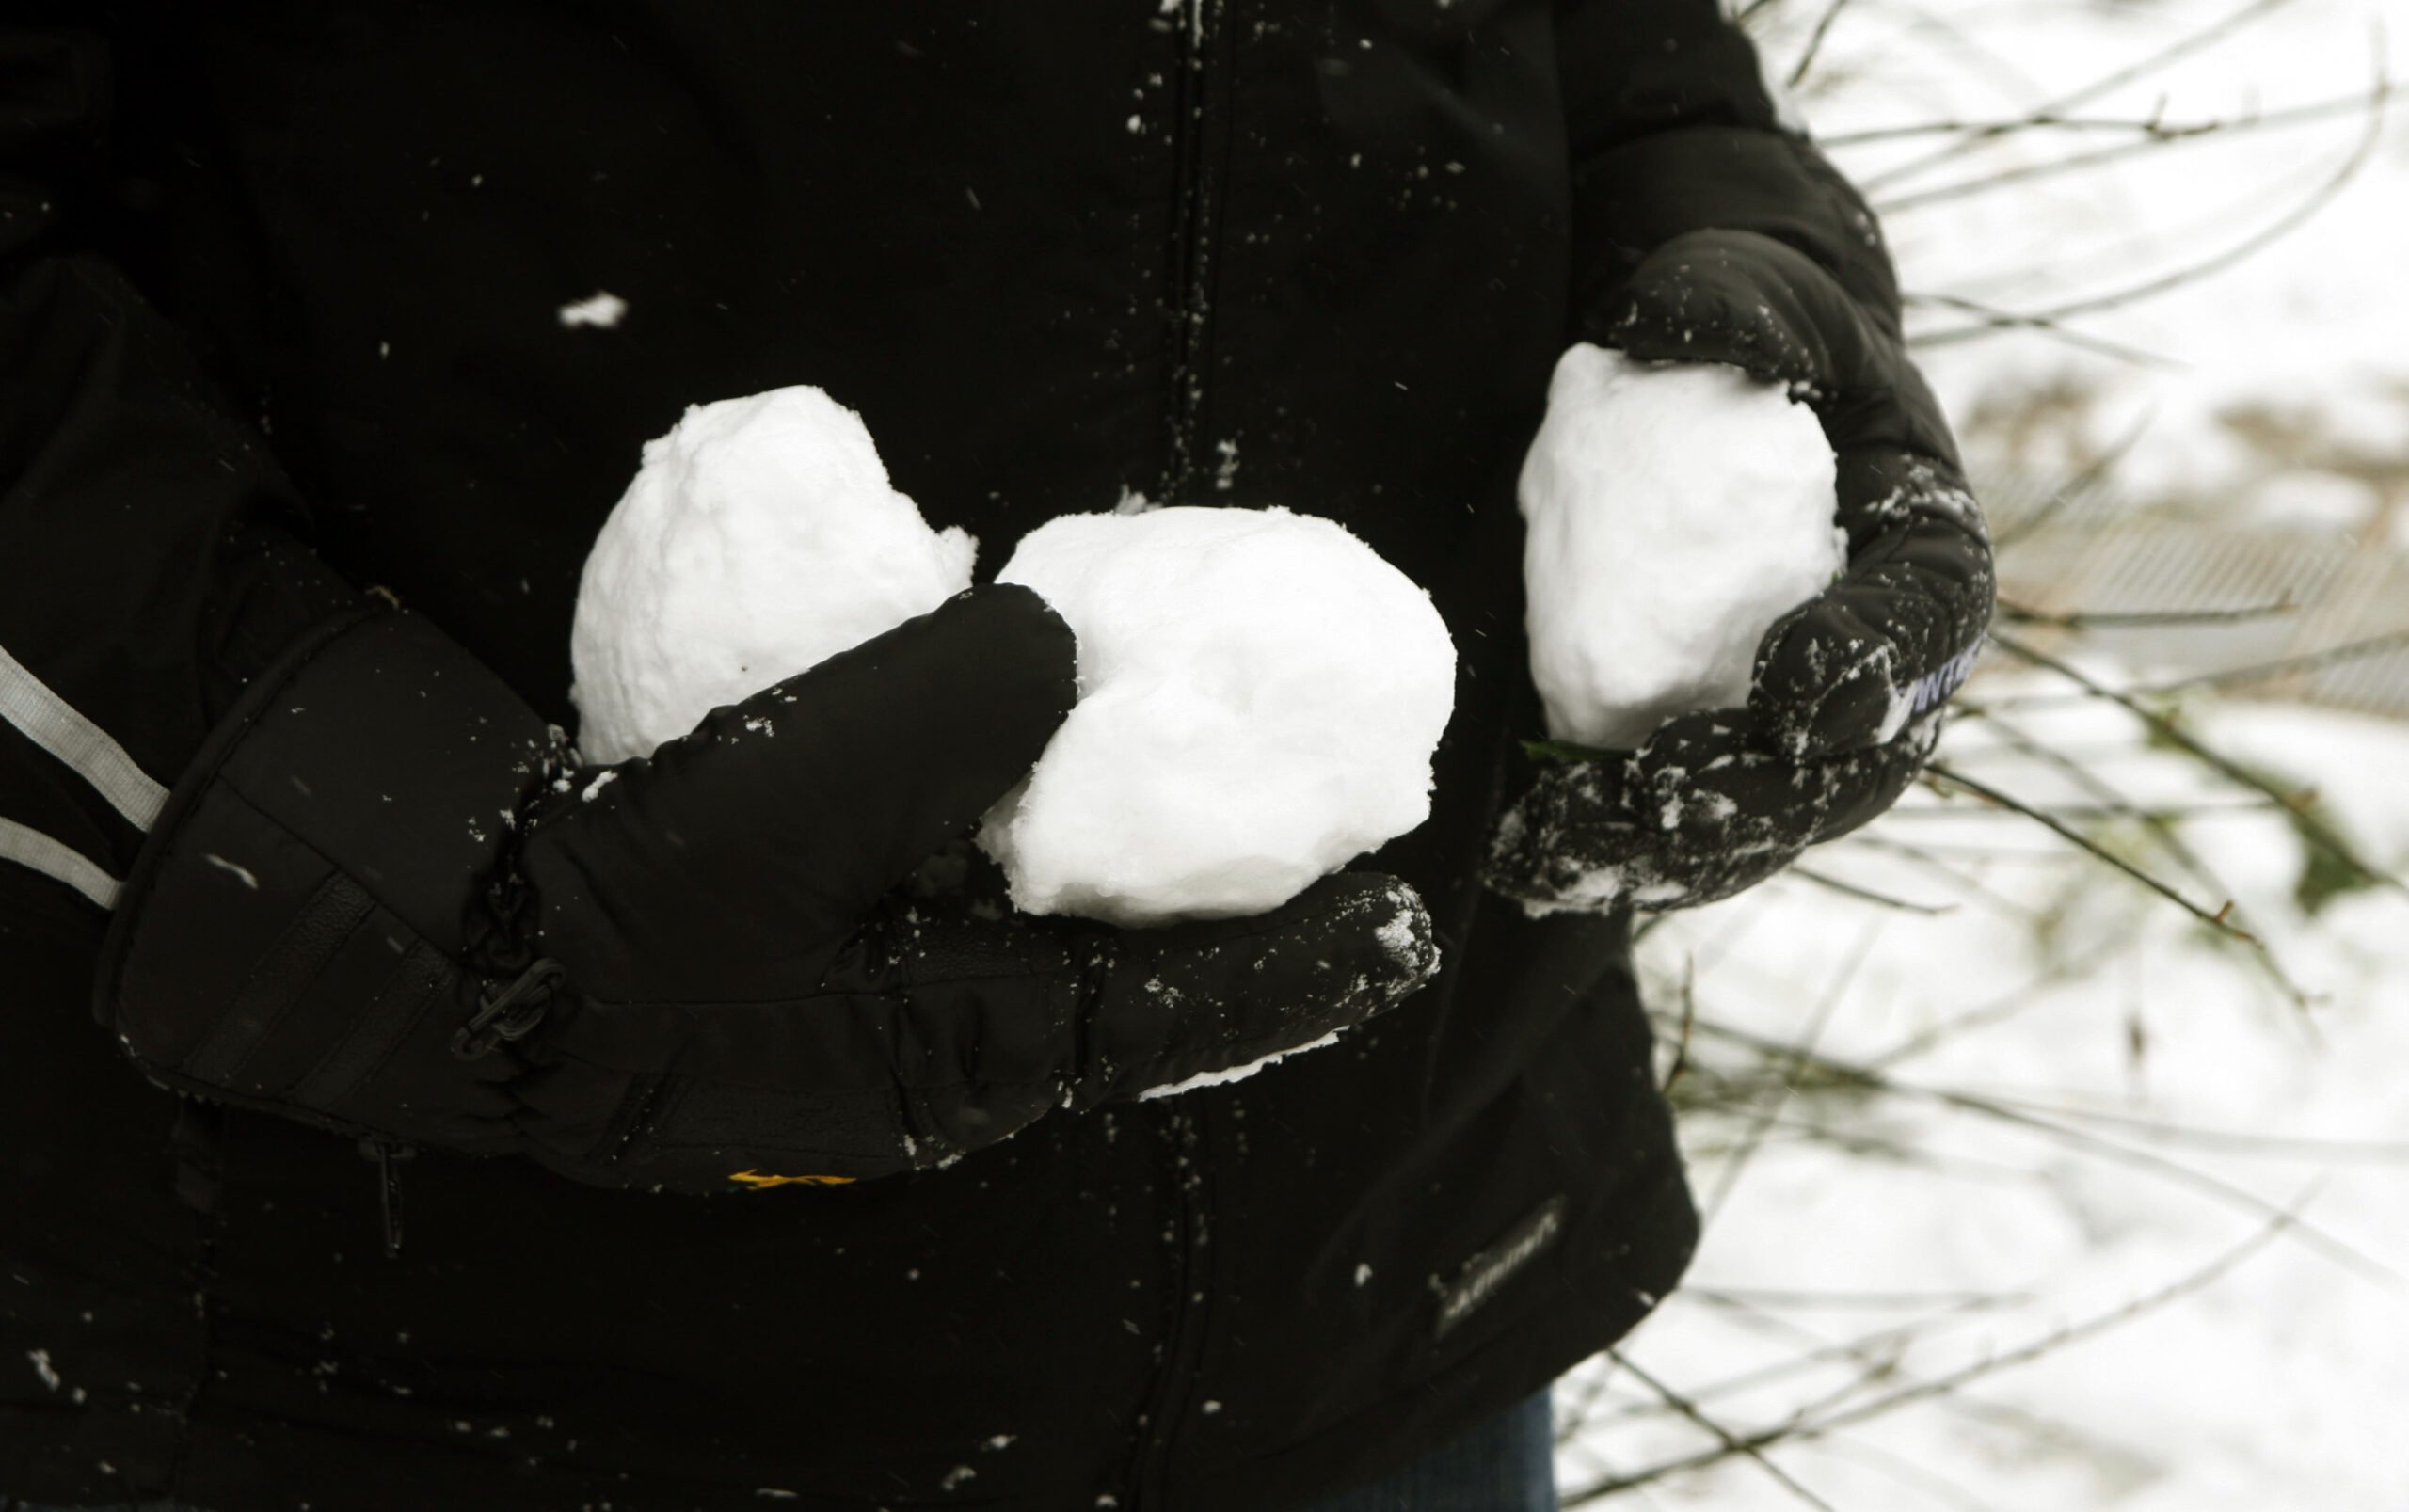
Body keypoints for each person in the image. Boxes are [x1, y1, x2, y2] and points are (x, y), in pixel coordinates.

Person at [0, 2, 1991, 1508]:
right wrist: (414, 889)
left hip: (1393, 1278)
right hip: (402, 1358)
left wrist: (1752, 288)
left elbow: (1606, 43)